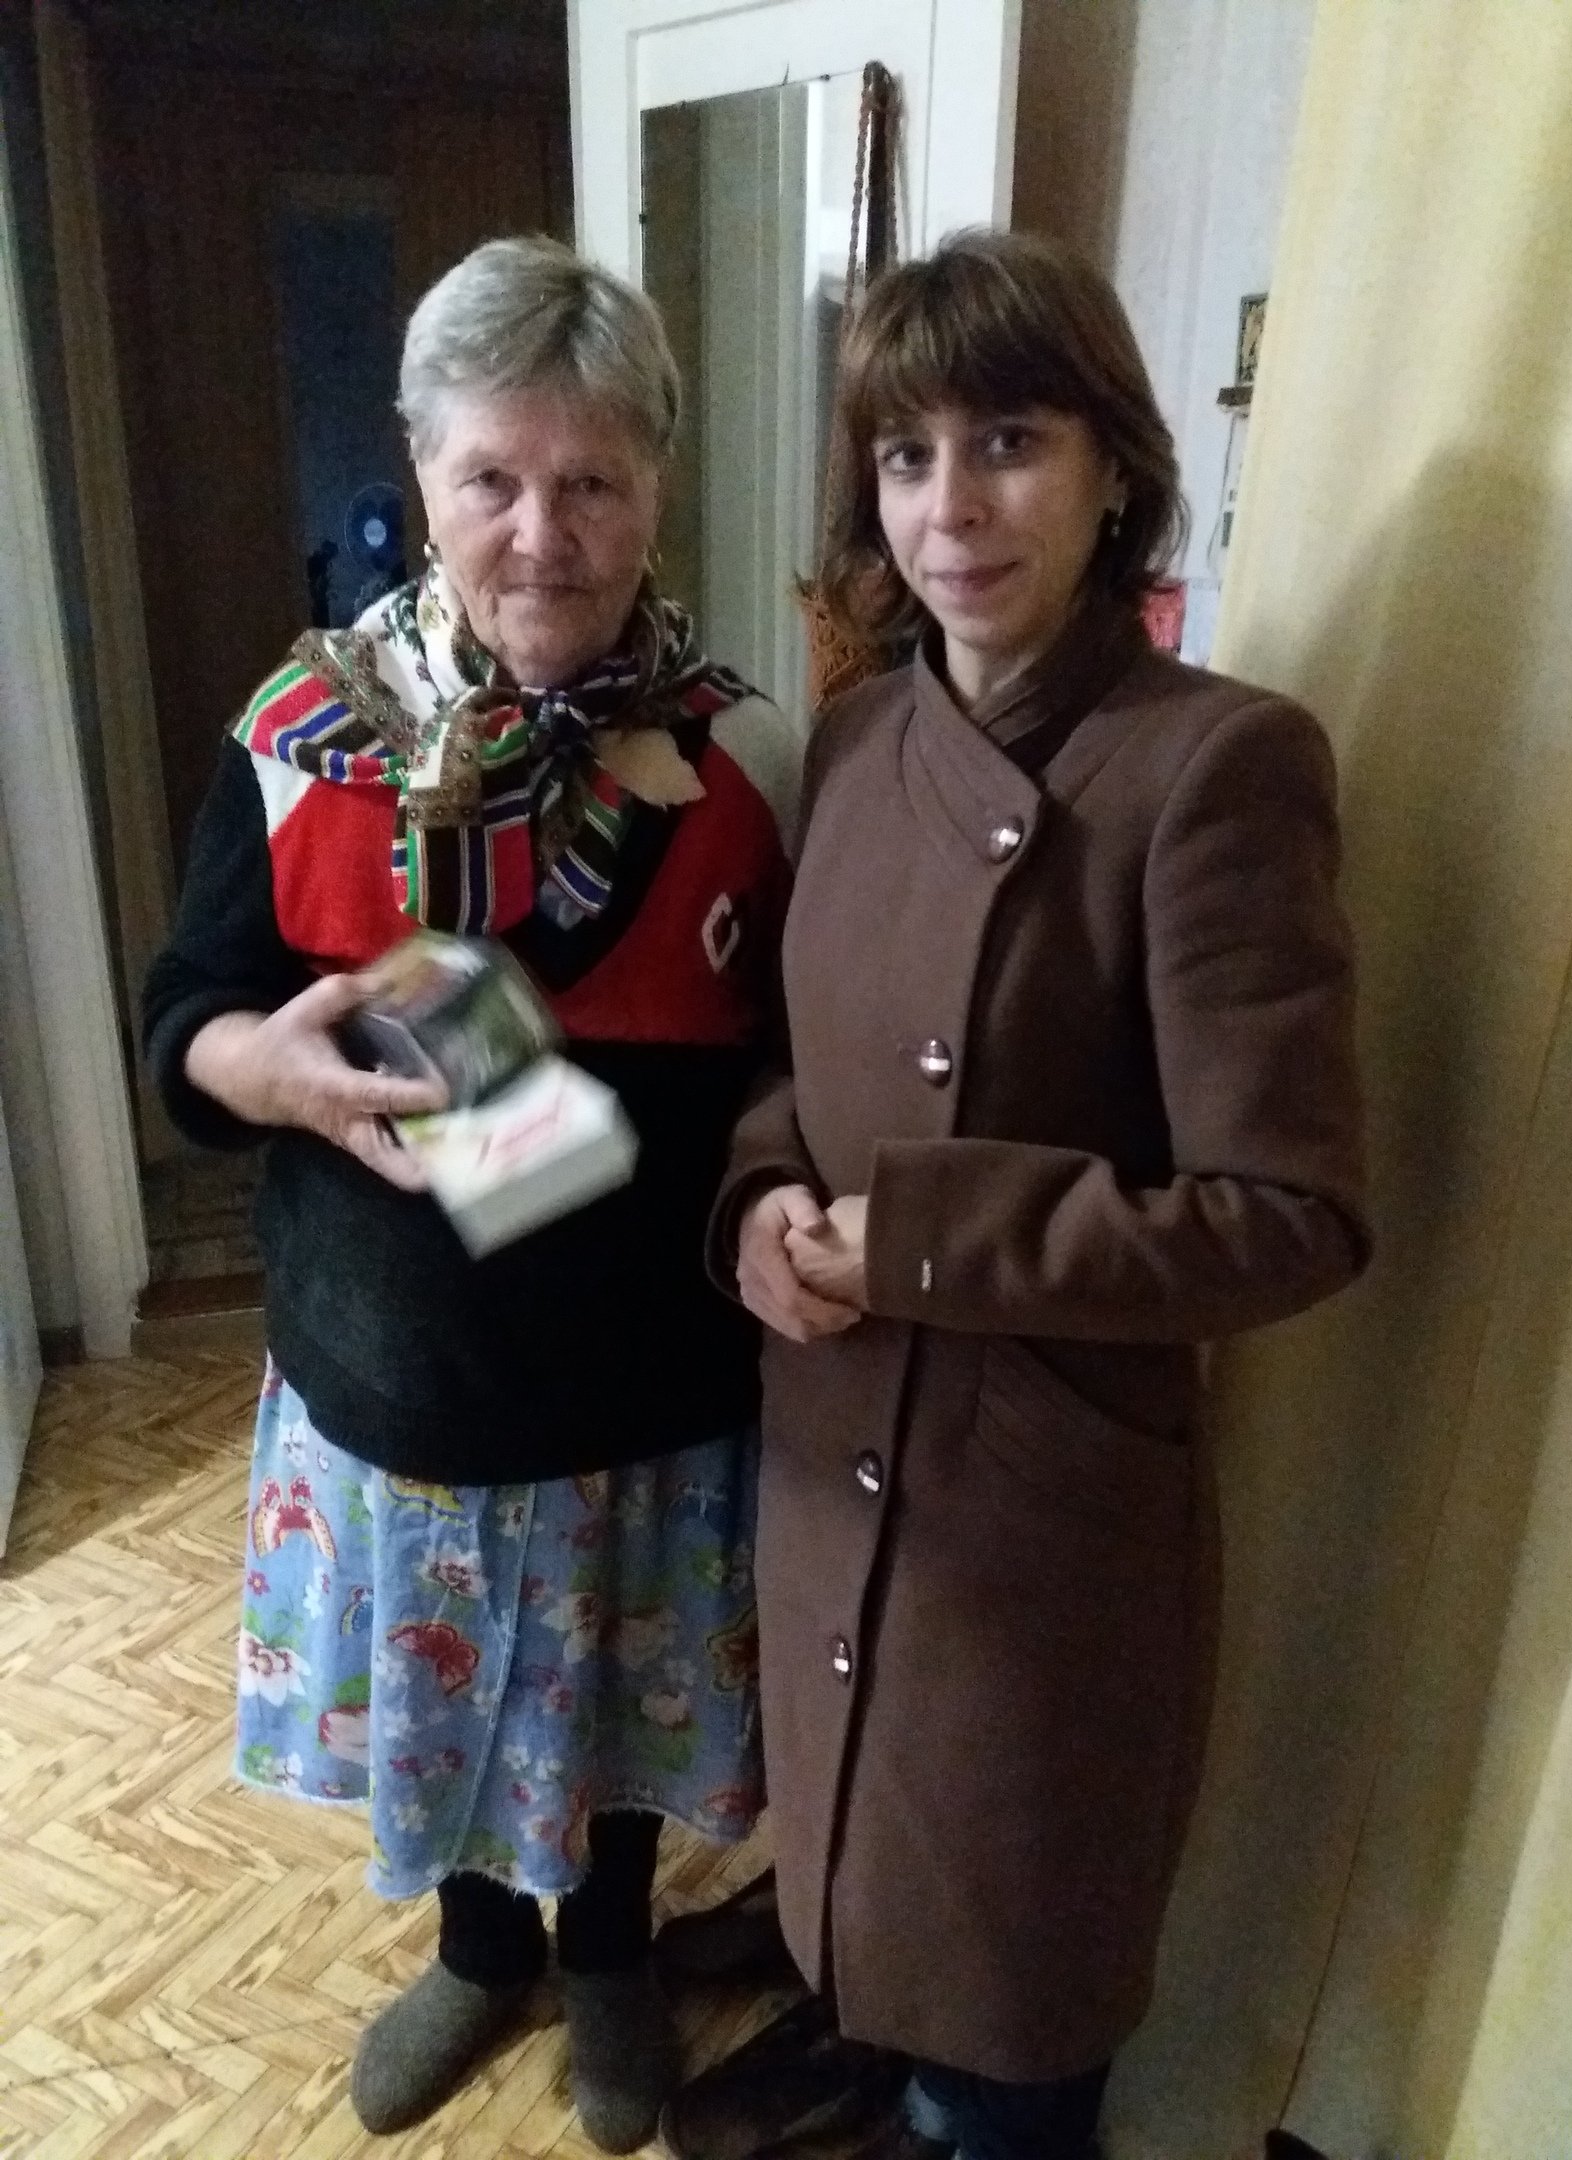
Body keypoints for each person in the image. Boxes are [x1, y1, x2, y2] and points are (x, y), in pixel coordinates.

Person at [712, 230, 1371, 2160]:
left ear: (1112, 471)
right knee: (857, 1896)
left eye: (1008, 441)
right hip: (828, 1445)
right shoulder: (857, 737)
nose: (952, 508)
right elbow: (803, 1075)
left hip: (1036, 1522)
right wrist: (755, 1207)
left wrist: (924, 1234)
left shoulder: (1217, 764)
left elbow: (1289, 1213)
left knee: (1014, 2011)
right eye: (906, 456)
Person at [144, 235, 799, 2147]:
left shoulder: (752, 756)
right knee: (455, 1716)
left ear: (658, 482)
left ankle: (608, 1957)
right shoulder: (297, 741)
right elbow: (187, 1009)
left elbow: (798, 1058)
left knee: (615, 1718)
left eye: (591, 479)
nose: (540, 532)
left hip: (652, 1402)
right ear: (420, 469)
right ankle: (478, 1950)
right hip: (402, 1395)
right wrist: (252, 1068)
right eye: (491, 475)